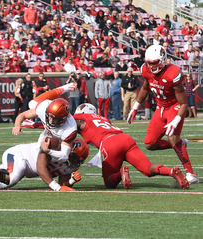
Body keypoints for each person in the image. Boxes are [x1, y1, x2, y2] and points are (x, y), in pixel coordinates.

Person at [73, 103, 189, 190]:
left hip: (110, 144)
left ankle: (120, 173)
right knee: (147, 169)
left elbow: (69, 122)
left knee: (109, 184)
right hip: (126, 139)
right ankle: (171, 171)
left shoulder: (80, 119)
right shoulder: (103, 118)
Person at [127, 45, 199, 184]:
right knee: (149, 144)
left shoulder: (173, 73)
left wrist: (176, 120)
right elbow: (146, 87)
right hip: (160, 108)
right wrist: (135, 106)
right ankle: (181, 143)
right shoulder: (145, 70)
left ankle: (191, 174)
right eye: (150, 63)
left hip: (175, 106)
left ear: (163, 59)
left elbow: (183, 103)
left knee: (172, 137)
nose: (152, 66)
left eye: (155, 63)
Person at [13, 82, 78, 163]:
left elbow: (64, 156)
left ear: (63, 119)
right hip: (49, 129)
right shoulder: (43, 108)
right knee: (32, 103)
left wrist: (48, 151)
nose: (50, 120)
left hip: (58, 137)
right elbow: (22, 115)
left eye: (55, 119)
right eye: (49, 116)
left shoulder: (69, 129)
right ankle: (65, 88)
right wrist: (17, 125)